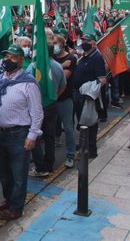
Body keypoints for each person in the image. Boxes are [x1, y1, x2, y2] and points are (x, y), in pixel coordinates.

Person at [0, 44, 43, 221]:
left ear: (20, 60)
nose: (7, 60)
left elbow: (37, 112)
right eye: (6, 56)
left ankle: (17, 207)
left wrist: (32, 135)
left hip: (18, 133)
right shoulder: (1, 79)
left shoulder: (28, 83)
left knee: (18, 172)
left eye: (12, 57)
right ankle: (9, 198)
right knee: (3, 170)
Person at [29, 30, 65, 177]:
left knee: (35, 136)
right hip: (52, 104)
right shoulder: (58, 66)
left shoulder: (32, 68)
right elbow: (63, 85)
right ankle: (49, 164)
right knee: (49, 137)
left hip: (37, 107)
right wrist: (55, 95)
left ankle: (40, 166)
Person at [70, 33, 107, 158]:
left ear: (93, 44)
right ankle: (83, 144)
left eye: (87, 41)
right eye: (83, 40)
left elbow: (102, 80)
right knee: (81, 121)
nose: (84, 43)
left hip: (88, 96)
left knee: (90, 123)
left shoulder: (97, 58)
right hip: (78, 94)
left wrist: (89, 90)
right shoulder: (84, 57)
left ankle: (90, 149)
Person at [52, 34, 77, 168]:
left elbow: (64, 77)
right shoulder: (53, 58)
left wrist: (58, 67)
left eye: (56, 42)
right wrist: (62, 65)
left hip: (64, 98)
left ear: (62, 43)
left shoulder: (71, 58)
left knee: (68, 128)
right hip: (51, 98)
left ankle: (70, 155)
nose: (54, 45)